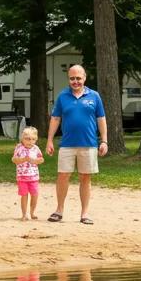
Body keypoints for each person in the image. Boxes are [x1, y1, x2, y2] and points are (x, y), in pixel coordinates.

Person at [45, 64, 107, 224]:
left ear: (84, 78)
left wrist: (104, 141)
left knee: (85, 178)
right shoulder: (62, 96)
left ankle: (84, 214)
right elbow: (55, 118)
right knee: (63, 176)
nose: (75, 81)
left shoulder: (94, 96)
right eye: (72, 78)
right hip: (67, 144)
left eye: (78, 78)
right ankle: (59, 210)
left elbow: (101, 119)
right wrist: (50, 140)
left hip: (89, 144)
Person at [11, 124, 45, 220]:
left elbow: (41, 159)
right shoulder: (19, 148)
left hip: (33, 177)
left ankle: (32, 212)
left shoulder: (36, 148)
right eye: (27, 139)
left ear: (36, 139)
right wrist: (22, 160)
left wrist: (35, 161)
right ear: (22, 139)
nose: (30, 141)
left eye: (33, 139)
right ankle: (24, 214)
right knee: (24, 195)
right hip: (22, 177)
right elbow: (14, 159)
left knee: (35, 195)